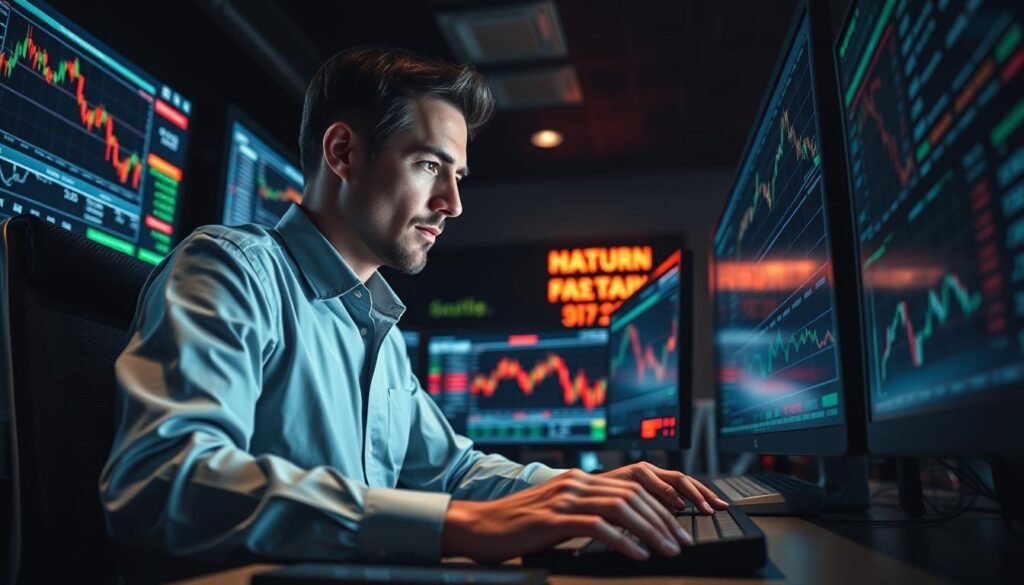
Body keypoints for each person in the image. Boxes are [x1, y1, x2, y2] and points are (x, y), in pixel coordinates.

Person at [99, 46, 728, 572]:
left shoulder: (376, 328)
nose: (452, 203)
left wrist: (576, 493)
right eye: (430, 165)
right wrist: (456, 526)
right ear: (343, 153)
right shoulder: (232, 270)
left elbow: (449, 469)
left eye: (458, 176)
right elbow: (164, 480)